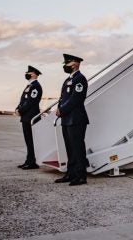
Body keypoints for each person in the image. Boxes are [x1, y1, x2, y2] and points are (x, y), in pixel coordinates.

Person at [54, 53, 89, 186]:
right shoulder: (68, 79)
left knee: (77, 148)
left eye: (67, 63)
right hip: (67, 119)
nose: (65, 66)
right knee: (69, 148)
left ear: (75, 63)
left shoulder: (80, 79)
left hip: (76, 119)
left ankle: (81, 176)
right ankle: (71, 173)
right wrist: (59, 108)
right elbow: (62, 98)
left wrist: (62, 109)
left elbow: (76, 99)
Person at [15, 65, 43, 170]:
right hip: (26, 117)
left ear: (34, 74)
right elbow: (23, 100)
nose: (27, 74)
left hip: (31, 117)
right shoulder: (29, 86)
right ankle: (29, 160)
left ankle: (32, 162)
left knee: (31, 140)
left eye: (29, 73)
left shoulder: (36, 86)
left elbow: (31, 102)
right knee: (28, 140)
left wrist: (21, 110)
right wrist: (17, 109)